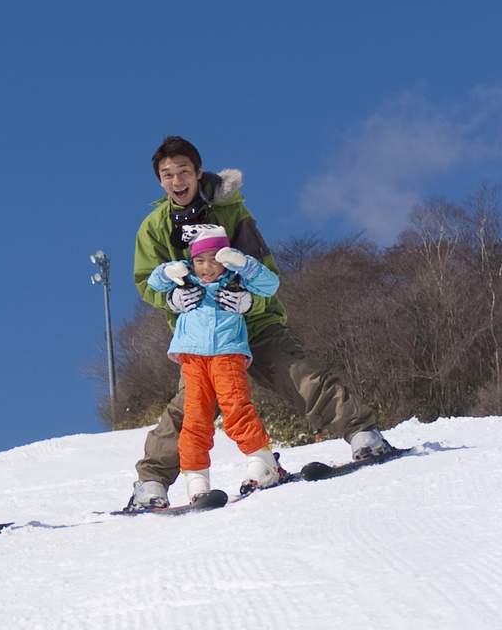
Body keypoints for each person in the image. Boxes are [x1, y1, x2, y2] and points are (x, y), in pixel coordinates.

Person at [129, 136, 398, 509]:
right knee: (190, 409)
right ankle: (151, 484)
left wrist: (248, 301)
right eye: (168, 175)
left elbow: (266, 272)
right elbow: (146, 280)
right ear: (160, 180)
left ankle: (363, 434)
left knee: (298, 374)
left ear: (198, 170)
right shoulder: (155, 228)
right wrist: (171, 297)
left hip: (252, 323)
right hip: (206, 337)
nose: (177, 181)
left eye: (184, 172)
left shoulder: (231, 212)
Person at [146, 225, 280, 501]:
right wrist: (168, 273)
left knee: (235, 408)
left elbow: (271, 285)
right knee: (194, 418)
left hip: (227, 354)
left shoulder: (235, 279)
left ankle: (262, 462)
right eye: (199, 260)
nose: (207, 268)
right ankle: (196, 479)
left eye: (214, 259)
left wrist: (244, 264)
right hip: (193, 359)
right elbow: (153, 284)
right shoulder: (185, 280)